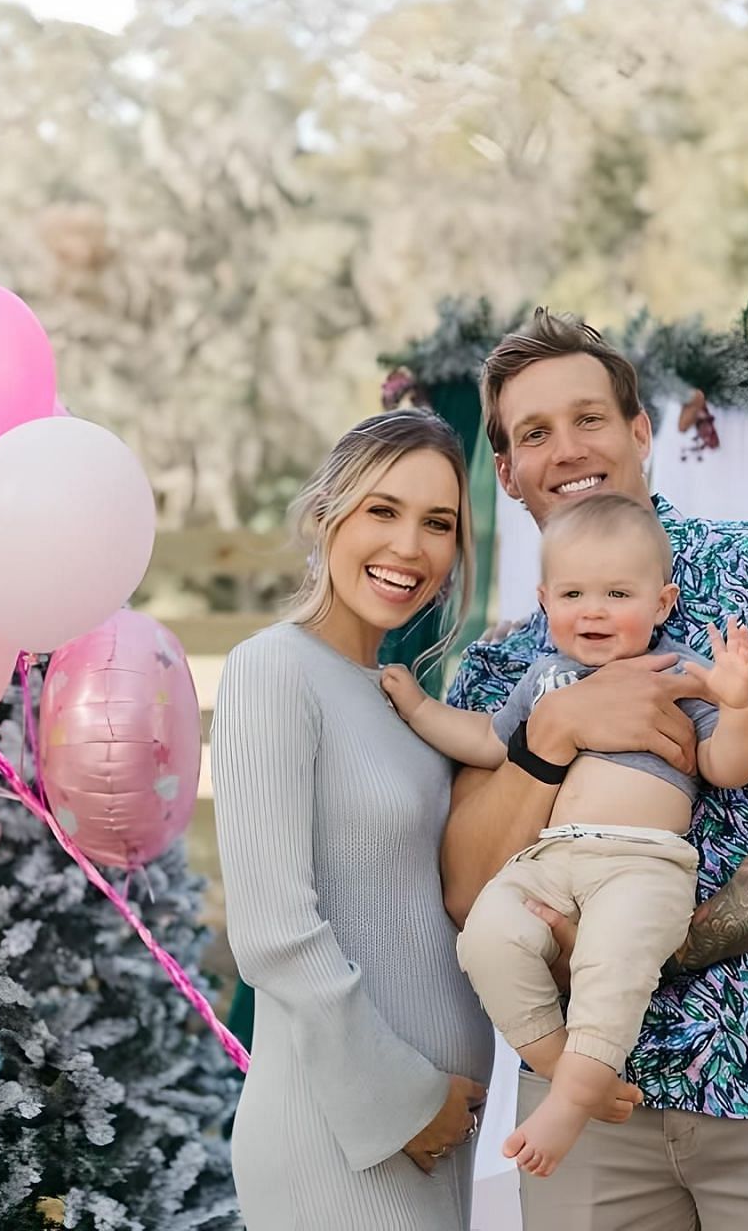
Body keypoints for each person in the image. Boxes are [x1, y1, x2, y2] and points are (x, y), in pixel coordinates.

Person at [441, 309, 748, 1230]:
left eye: (590, 419)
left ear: (640, 433)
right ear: (506, 472)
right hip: (581, 1113)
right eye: (534, 433)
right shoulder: (502, 665)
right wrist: (556, 730)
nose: (567, 449)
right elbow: (467, 888)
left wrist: (658, 940)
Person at [381, 491, 748, 1178]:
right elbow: (487, 742)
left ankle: (565, 1105)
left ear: (662, 604)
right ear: (545, 600)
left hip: (642, 864)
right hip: (550, 859)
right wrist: (416, 705)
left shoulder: (677, 675)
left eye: (618, 593)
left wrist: (736, 704)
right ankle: (568, 1069)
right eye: (574, 592)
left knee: (610, 965)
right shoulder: (542, 676)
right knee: (488, 939)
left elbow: (728, 768)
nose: (593, 609)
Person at [211, 409, 497, 1231]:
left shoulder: (401, 702)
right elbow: (273, 930)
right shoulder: (272, 671)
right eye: (383, 510)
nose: (410, 547)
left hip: (434, 1132)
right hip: (342, 1131)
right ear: (327, 513)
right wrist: (403, 1101)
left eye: (437, 524)